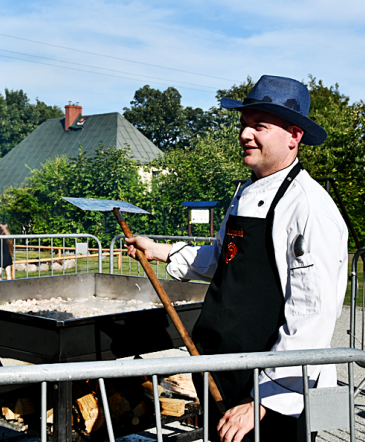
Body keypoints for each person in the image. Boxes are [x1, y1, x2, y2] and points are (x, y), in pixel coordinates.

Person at [126, 75, 348, 442]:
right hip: (224, 370)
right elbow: (221, 257)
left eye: (259, 126)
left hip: (268, 391)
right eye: (244, 125)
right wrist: (160, 251)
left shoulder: (309, 208)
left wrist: (262, 398)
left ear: (294, 136)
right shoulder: (246, 192)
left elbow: (313, 315)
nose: (245, 135)